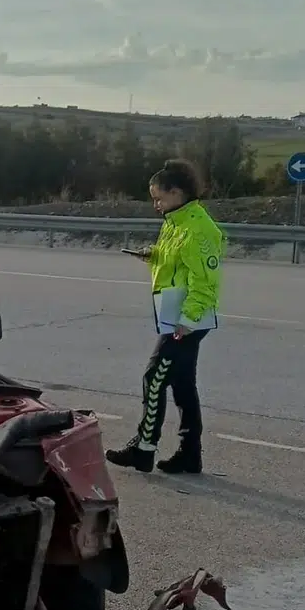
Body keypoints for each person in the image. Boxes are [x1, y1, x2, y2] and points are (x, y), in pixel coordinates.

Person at [106, 158, 224, 476]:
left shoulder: (198, 228)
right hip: (175, 313)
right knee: (183, 385)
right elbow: (176, 264)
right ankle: (190, 455)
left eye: (159, 198)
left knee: (154, 378)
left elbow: (205, 282)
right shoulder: (176, 221)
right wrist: (153, 255)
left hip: (187, 319)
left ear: (177, 192)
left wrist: (188, 321)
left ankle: (144, 448)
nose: (156, 205)